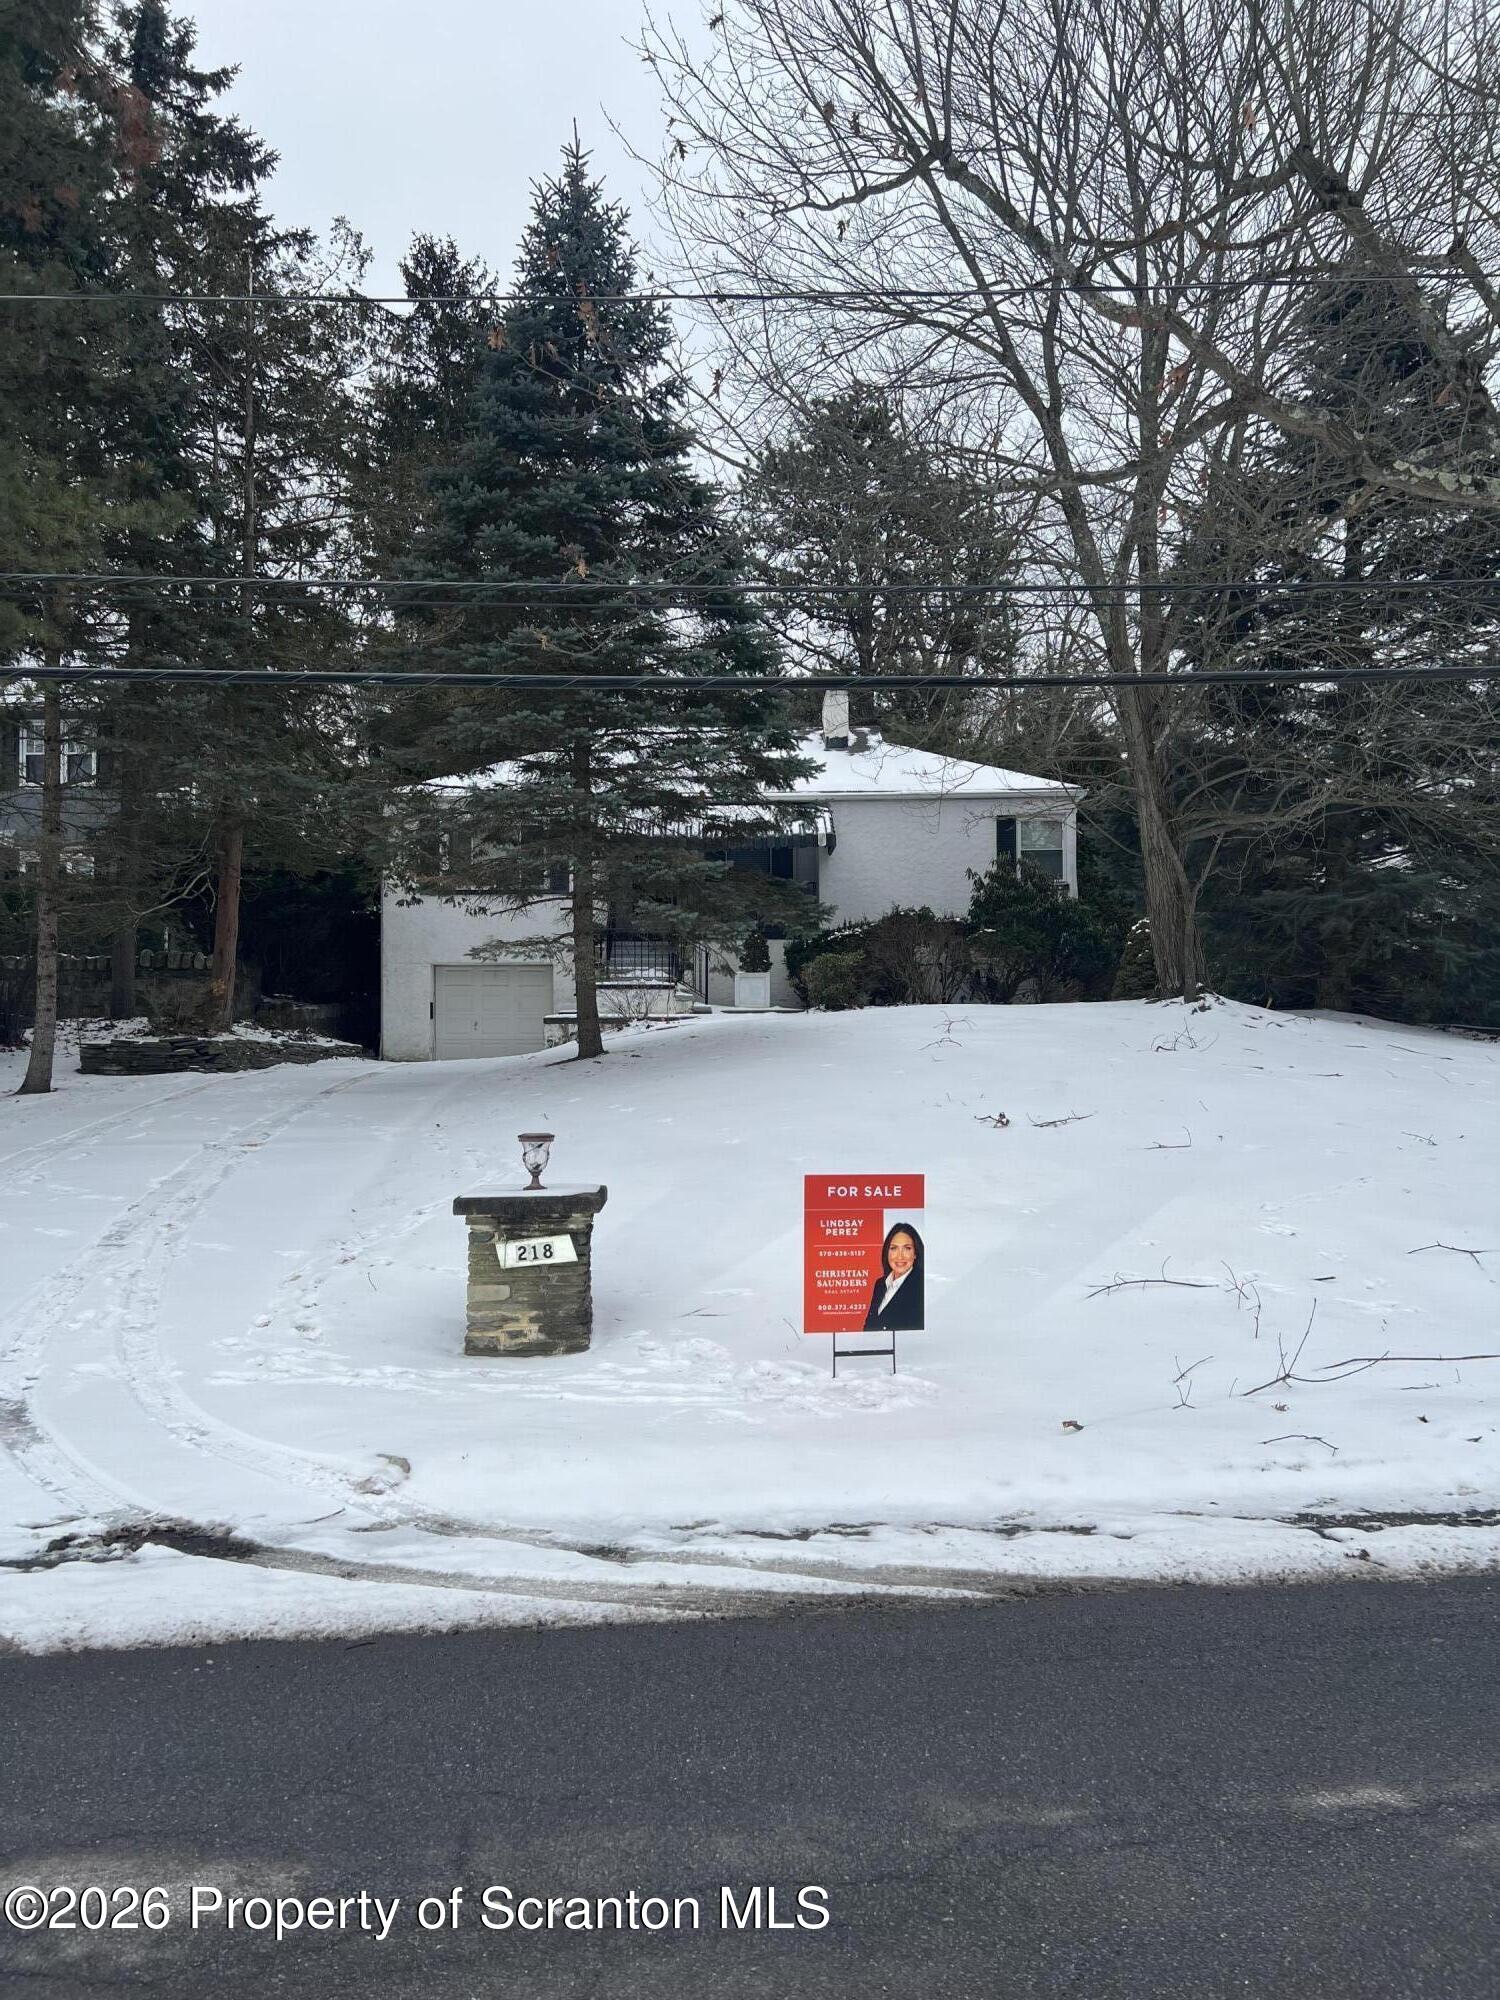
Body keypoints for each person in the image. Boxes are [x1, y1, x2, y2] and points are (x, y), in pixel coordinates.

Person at [862, 1221, 924, 1332]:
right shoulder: (880, 1284)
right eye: (894, 1248)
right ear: (887, 1252)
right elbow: (868, 1328)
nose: (900, 1256)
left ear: (915, 1254)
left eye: (907, 1248)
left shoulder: (921, 1286)